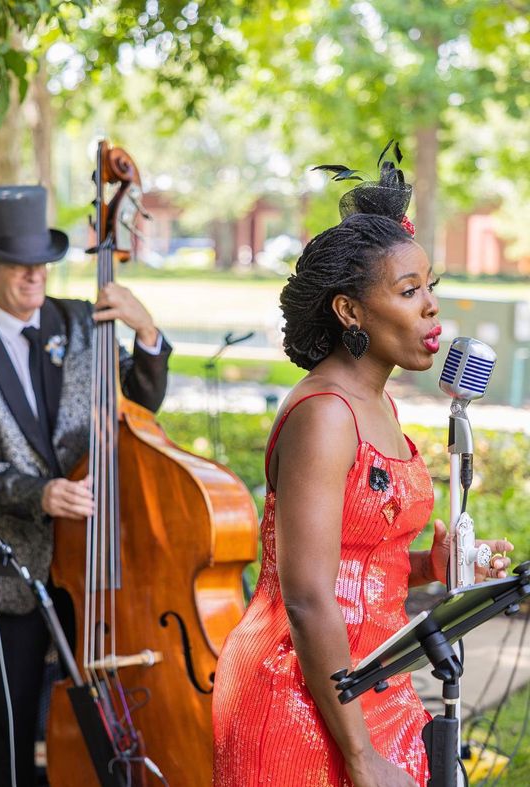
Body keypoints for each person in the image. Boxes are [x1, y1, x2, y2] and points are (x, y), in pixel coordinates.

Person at [212, 149, 513, 787]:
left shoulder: (377, 401)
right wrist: (359, 755)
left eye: (431, 287)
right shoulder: (324, 415)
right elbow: (308, 594)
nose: (431, 308)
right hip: (299, 695)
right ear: (350, 311)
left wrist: (439, 565)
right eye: (408, 292)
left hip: (373, 678)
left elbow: (362, 565)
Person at [0, 185, 171, 787]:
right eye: (18, 264)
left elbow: (139, 401)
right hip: (14, 571)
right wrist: (39, 493)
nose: (34, 275)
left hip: (93, 565)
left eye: (41, 262)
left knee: (102, 716)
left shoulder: (82, 323)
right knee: (10, 725)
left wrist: (147, 334)